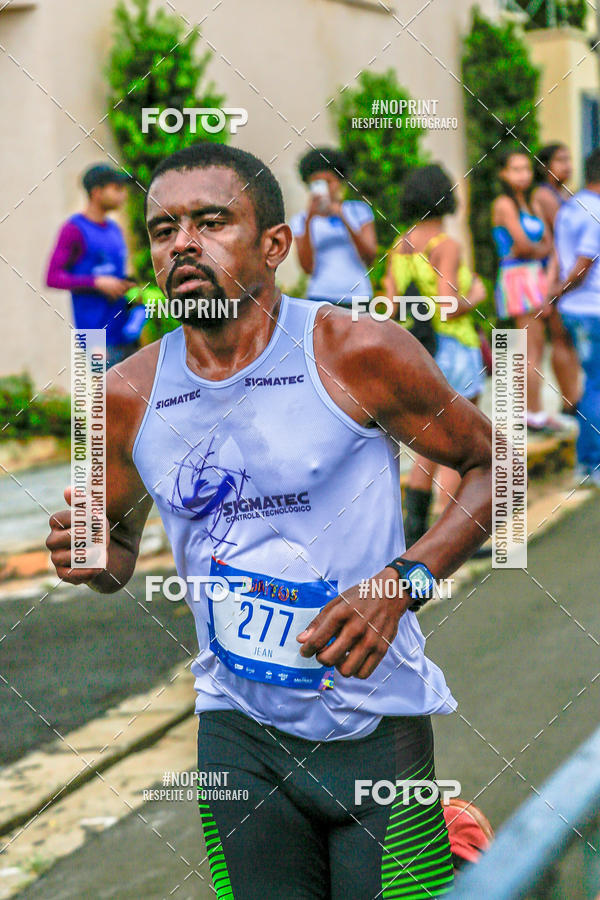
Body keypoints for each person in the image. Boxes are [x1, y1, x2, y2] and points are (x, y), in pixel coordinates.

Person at [46, 143, 493, 899]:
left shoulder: (357, 351)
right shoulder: (125, 393)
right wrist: (89, 560)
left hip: (373, 725)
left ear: (275, 245)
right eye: (162, 230)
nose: (183, 243)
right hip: (237, 733)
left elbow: (495, 466)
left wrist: (403, 581)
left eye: (211, 221)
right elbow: (114, 549)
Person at [384, 164, 488, 546]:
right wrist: (475, 295)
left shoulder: (400, 245)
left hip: (418, 352)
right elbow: (446, 304)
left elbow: (390, 306)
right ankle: (452, 537)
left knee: (427, 444)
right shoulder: (445, 244)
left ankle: (413, 533)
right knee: (458, 445)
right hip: (454, 349)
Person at [492, 150, 558, 433]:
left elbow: (549, 247)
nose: (522, 174)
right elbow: (524, 245)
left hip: (536, 276)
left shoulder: (530, 203)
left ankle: (535, 411)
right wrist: (539, 250)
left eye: (526, 169)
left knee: (537, 348)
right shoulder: (504, 204)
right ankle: (530, 414)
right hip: (518, 277)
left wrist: (542, 259)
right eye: (515, 169)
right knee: (529, 349)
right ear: (503, 174)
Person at [46, 163, 137, 367]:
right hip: (94, 336)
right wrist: (96, 282)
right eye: (116, 189)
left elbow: (116, 274)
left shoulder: (114, 229)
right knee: (106, 395)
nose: (123, 195)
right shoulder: (74, 229)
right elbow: (53, 277)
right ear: (97, 192)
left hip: (122, 330)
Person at [551, 147, 600, 487]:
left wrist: (555, 297)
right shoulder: (595, 210)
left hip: (572, 310)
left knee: (591, 382)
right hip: (591, 308)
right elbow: (582, 266)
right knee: (596, 384)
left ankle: (588, 459)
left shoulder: (569, 207)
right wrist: (557, 292)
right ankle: (591, 462)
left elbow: (561, 257)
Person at [290, 147, 377, 306]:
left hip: (358, 297)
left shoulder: (359, 211)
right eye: (317, 183)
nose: (325, 188)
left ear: (339, 183)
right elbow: (307, 267)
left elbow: (369, 256)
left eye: (329, 182)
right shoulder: (301, 220)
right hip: (320, 297)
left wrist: (343, 218)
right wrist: (310, 219)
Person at [532, 143, 580, 417]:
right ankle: (569, 399)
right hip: (551, 274)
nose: (567, 165)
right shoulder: (545, 196)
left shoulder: (562, 195)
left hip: (564, 274)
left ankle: (572, 396)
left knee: (567, 340)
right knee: (560, 338)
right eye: (560, 160)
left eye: (569, 158)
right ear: (545, 166)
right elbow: (564, 235)